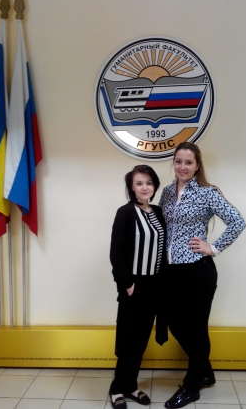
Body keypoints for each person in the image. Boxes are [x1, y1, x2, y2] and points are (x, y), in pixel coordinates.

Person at [158, 142, 246, 409]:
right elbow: (162, 226)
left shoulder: (207, 192)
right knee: (175, 324)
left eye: (188, 162)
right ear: (173, 163)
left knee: (196, 329)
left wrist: (213, 247)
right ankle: (205, 371)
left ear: (197, 166)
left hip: (197, 270)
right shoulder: (166, 192)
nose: (182, 166)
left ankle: (192, 386)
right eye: (178, 161)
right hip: (171, 271)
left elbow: (238, 221)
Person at [108, 165, 168, 409]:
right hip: (134, 285)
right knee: (128, 339)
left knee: (141, 340)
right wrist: (127, 284)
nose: (145, 187)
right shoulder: (125, 213)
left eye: (149, 183)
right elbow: (116, 253)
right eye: (139, 183)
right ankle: (116, 388)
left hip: (155, 286)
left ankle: (131, 386)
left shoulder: (158, 212)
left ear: (154, 186)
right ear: (132, 187)